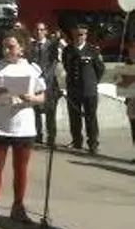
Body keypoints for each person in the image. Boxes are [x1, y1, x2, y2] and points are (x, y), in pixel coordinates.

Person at [0, 32, 47, 224]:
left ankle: (18, 207)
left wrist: (32, 98)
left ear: (22, 47)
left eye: (11, 46)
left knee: (21, 169)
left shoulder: (32, 68)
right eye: (4, 46)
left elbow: (42, 96)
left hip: (23, 127)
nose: (7, 50)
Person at [61, 24, 105, 154]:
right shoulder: (67, 50)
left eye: (81, 34)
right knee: (74, 117)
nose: (78, 37)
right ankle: (76, 141)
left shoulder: (92, 50)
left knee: (90, 117)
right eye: (75, 34)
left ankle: (93, 143)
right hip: (73, 89)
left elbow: (100, 69)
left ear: (86, 35)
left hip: (88, 89)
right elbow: (66, 66)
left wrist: (92, 82)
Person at [27, 21, 60, 146]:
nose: (39, 32)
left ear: (46, 31)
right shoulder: (31, 46)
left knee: (51, 112)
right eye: (37, 30)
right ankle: (38, 136)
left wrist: (44, 78)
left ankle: (51, 138)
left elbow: (53, 64)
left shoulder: (52, 46)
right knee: (35, 111)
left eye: (41, 30)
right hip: (34, 84)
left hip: (49, 84)